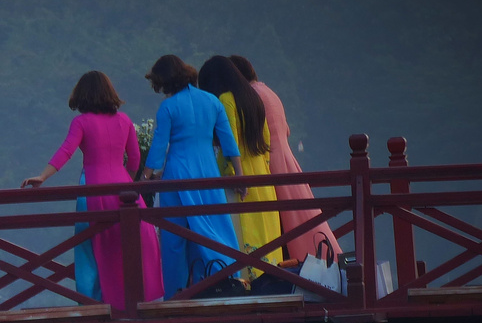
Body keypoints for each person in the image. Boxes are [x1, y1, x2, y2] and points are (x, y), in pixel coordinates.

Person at [22, 70, 163, 310]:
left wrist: (43, 176)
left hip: (93, 191)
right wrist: (126, 179)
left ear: (83, 95)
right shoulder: (124, 120)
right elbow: (135, 158)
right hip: (125, 192)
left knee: (90, 251)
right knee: (130, 244)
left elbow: (66, 150)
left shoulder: (82, 122)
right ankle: (136, 302)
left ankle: (93, 305)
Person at [138, 55, 244, 298]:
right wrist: (239, 176)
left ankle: (176, 294)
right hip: (208, 173)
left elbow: (158, 148)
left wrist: (145, 177)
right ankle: (216, 282)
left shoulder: (168, 107)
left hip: (177, 176)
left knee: (174, 238)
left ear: (165, 81)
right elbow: (228, 142)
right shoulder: (212, 101)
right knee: (212, 230)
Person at [228, 54, 344, 263]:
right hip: (286, 158)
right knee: (300, 219)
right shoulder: (269, 92)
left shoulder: (251, 96)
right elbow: (286, 130)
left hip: (268, 160)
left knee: (282, 223)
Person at [197, 55, 282, 285]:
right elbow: (266, 142)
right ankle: (272, 280)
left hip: (240, 179)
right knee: (267, 237)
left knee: (244, 240)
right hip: (262, 177)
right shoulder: (253, 97)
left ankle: (247, 285)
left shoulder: (226, 100)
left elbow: (230, 144)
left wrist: (226, 174)